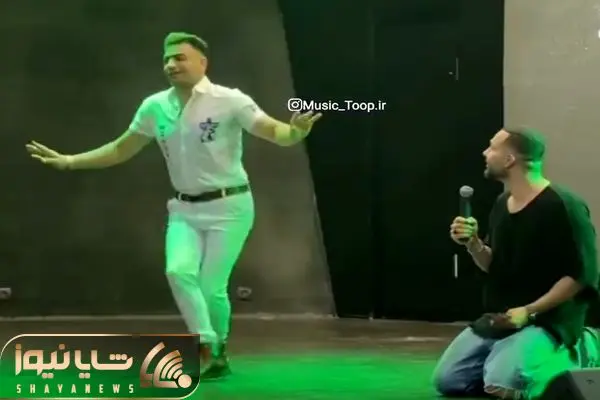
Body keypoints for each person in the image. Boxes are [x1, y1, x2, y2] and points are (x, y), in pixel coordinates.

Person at [25, 32, 322, 380]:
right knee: (178, 271)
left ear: (202, 63)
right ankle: (207, 345)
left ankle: (217, 350)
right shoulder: (155, 106)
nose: (171, 64)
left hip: (230, 207)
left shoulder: (230, 100)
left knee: (211, 287)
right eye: (167, 58)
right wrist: (70, 161)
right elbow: (121, 148)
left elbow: (275, 132)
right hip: (184, 209)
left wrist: (295, 132)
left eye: (180, 57)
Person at [432, 128, 600, 399]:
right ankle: (515, 357)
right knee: (449, 380)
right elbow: (495, 267)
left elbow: (581, 275)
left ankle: (581, 349)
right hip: (506, 317)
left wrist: (529, 311)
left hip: (550, 319)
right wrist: (473, 243)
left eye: (492, 148)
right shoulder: (502, 203)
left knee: (504, 383)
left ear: (510, 159)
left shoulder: (563, 206)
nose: (485, 153)